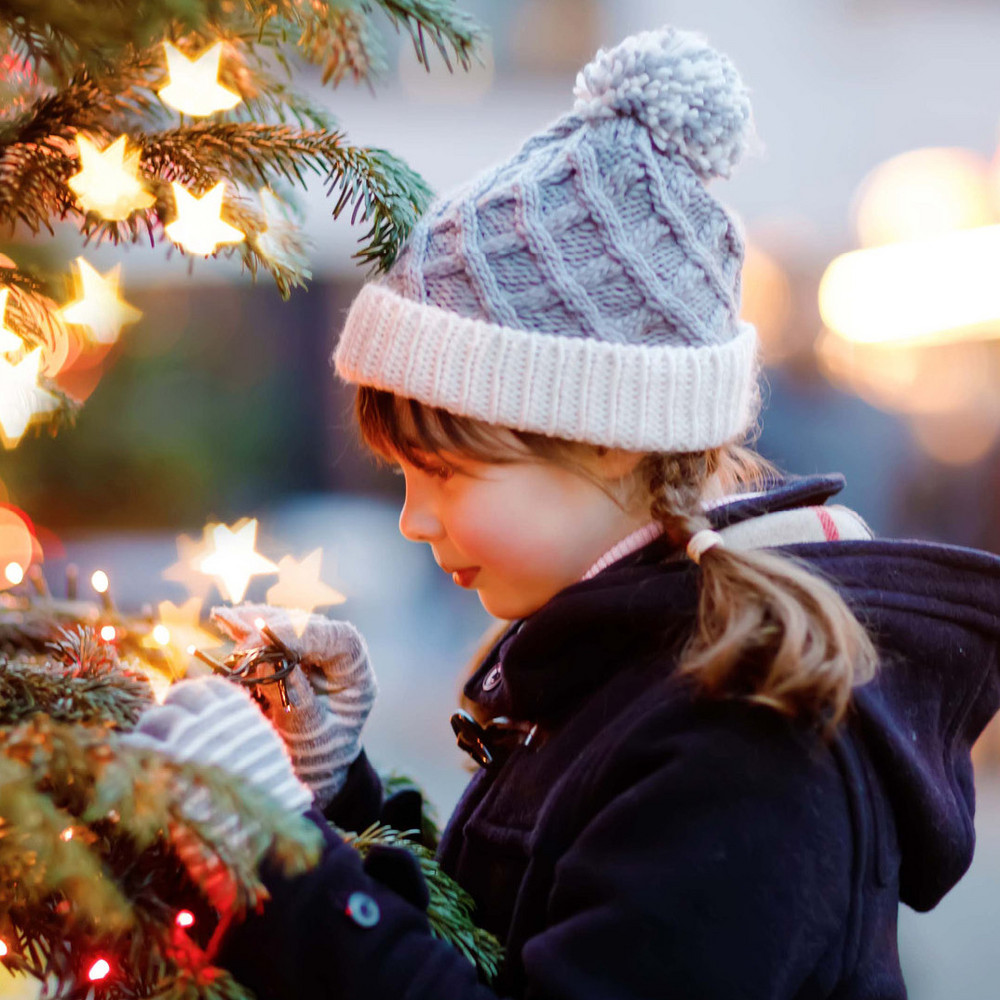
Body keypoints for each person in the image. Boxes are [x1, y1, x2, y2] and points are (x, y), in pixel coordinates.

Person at [132, 25, 1000, 1000]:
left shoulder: (746, 743)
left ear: (608, 438)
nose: (414, 520)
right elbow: (501, 943)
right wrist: (339, 792)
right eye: (401, 476)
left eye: (445, 472)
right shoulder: (615, 665)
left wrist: (275, 857)